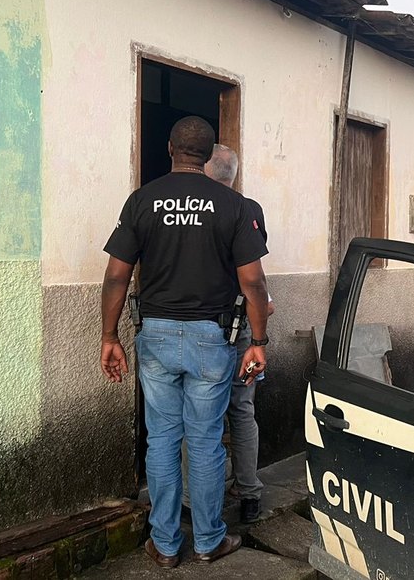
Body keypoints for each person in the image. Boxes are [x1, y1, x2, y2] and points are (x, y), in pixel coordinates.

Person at [100, 117, 271, 568]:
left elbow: (117, 275)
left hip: (155, 336)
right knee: (206, 441)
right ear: (208, 151)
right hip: (211, 340)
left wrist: (108, 336)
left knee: (161, 441)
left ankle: (166, 544)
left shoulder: (142, 200)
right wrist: (258, 340)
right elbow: (253, 283)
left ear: (170, 147)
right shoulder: (234, 206)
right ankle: (209, 540)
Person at [204, 144, 272, 524]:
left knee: (200, 413)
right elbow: (256, 275)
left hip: (206, 328)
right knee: (243, 408)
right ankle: (249, 493)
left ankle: (196, 497)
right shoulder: (251, 209)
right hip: (245, 326)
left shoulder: (200, 207)